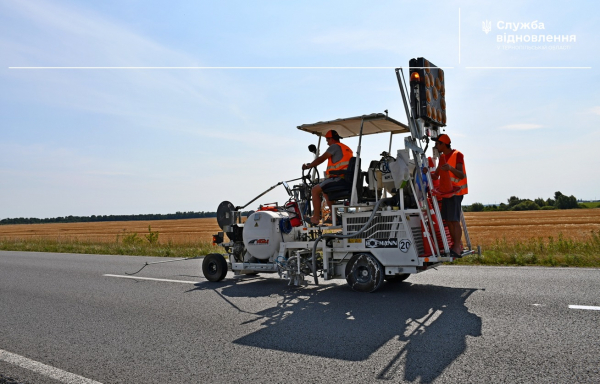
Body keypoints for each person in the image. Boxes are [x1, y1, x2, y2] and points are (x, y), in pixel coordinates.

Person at [302, 130, 353, 225]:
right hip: (346, 179)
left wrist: (308, 166)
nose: (327, 143)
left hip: (338, 179)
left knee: (314, 190)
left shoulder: (334, 146)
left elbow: (321, 159)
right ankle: (334, 218)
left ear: (331, 139)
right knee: (325, 191)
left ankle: (315, 218)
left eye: (327, 140)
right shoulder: (347, 148)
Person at [431, 134, 468, 256]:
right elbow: (436, 175)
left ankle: (457, 247)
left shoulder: (457, 154)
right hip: (446, 194)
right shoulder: (442, 157)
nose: (435, 146)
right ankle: (456, 245)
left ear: (443, 144)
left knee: (454, 220)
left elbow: (461, 175)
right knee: (449, 220)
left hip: (456, 193)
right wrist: (426, 172)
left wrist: (450, 168)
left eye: (437, 144)